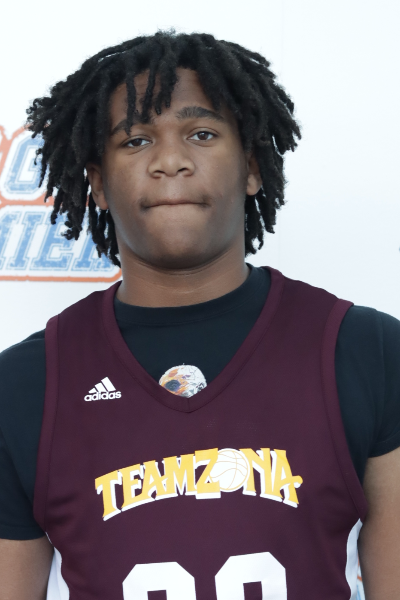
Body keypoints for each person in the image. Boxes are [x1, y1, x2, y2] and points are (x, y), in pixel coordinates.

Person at [0, 30, 399, 600]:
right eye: (136, 140)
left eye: (202, 134)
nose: (170, 161)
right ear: (98, 184)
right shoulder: (24, 385)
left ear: (252, 167)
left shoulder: (366, 351)